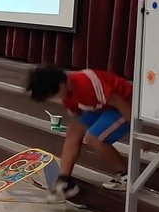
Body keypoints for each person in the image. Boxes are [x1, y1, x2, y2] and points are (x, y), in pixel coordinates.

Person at [26, 66, 132, 199]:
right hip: (102, 107)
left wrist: (138, 135)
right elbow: (77, 121)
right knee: (73, 132)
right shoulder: (67, 95)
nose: (55, 98)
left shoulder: (86, 84)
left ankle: (126, 175)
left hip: (127, 104)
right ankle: (63, 182)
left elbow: (119, 102)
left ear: (61, 85)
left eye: (54, 94)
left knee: (93, 138)